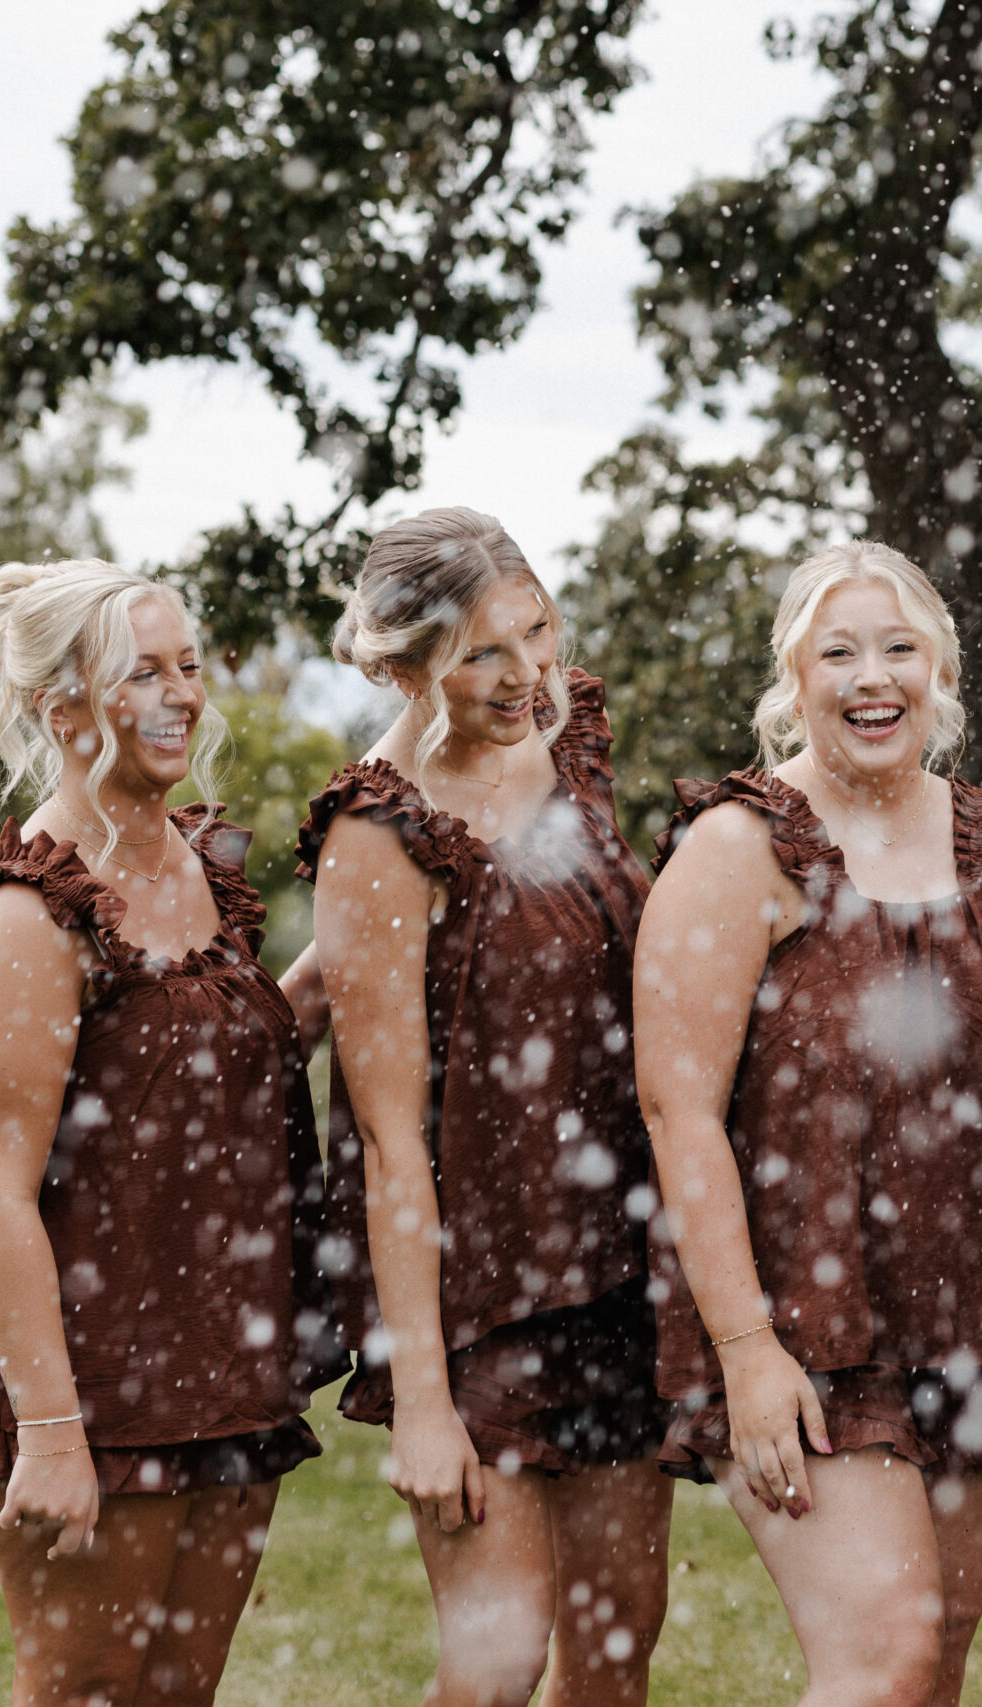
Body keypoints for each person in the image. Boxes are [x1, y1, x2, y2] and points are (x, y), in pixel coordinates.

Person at [634, 541, 982, 1707]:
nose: (873, 678)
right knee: (882, 1660)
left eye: (898, 649)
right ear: (794, 677)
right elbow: (679, 1113)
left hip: (972, 1312)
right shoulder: (739, 847)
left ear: (940, 670)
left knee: (938, 1666)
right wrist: (745, 1353)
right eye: (839, 653)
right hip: (804, 1328)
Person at [0, 558, 339, 1705]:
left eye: (189, 668)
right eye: (142, 674)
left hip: (216, 1357)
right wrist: (53, 1433)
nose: (181, 695)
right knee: (87, 1688)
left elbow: (220, 1056)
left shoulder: (197, 870)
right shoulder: (26, 909)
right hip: (89, 1378)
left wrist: (351, 944)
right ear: (64, 713)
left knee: (180, 1689)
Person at [302, 508, 670, 1707]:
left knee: (616, 1655)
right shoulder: (379, 832)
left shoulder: (573, 741)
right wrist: (419, 1400)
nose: (528, 678)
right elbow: (388, 1137)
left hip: (620, 1263)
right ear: (402, 667)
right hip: (478, 1296)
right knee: (498, 1661)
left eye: (538, 634)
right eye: (483, 655)